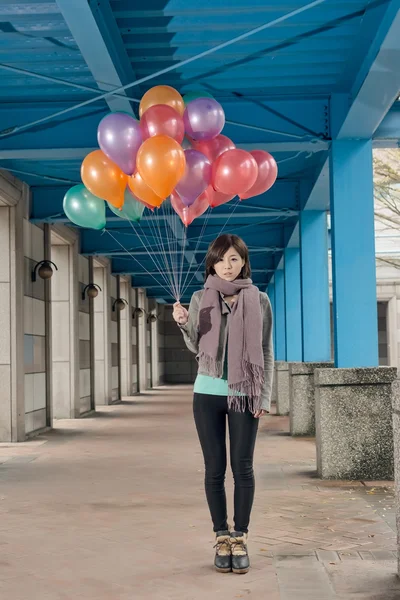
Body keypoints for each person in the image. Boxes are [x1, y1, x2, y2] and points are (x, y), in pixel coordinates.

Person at [172, 233, 274, 575]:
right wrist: (185, 324)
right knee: (214, 469)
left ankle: (240, 537)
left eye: (233, 259)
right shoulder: (202, 297)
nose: (227, 266)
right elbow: (197, 348)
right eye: (220, 259)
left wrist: (264, 395)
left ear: (243, 261)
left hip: (245, 393)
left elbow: (267, 350)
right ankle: (221, 536)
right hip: (207, 392)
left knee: (242, 467)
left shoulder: (259, 300)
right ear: (211, 263)